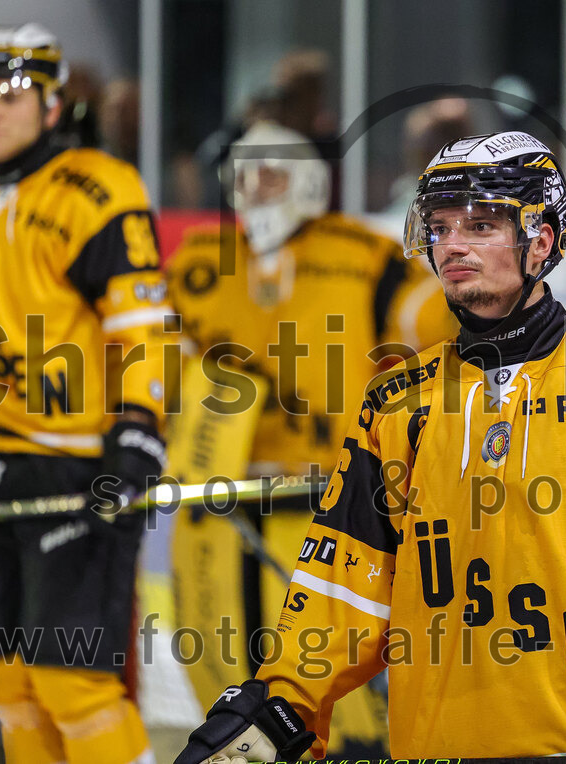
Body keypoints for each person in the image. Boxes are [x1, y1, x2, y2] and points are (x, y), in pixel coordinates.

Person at [174, 130, 566, 763]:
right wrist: (281, 705)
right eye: (440, 226)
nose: (453, 245)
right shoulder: (397, 403)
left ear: (543, 239)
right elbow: (343, 585)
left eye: (480, 225)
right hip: (440, 747)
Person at [164, 119, 455, 755]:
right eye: (242, 174)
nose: (254, 188)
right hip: (220, 511)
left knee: (325, 693)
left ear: (310, 181)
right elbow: (157, 370)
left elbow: (434, 324)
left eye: (271, 173)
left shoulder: (365, 258)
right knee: (225, 681)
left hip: (328, 507)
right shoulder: (199, 263)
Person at [0, 23, 170, 764]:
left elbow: (141, 327)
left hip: (74, 468)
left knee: (73, 683)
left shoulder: (98, 190)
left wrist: (138, 428)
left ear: (54, 104)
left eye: (12, 95)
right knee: (6, 684)